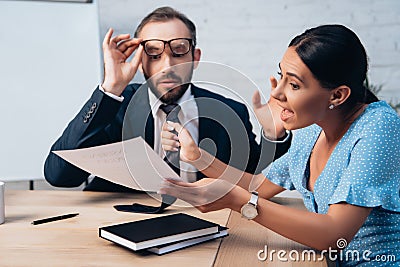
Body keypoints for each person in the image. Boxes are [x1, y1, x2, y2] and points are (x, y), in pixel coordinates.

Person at [160, 24, 400, 266]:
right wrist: (197, 156)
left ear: (337, 95)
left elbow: (334, 235)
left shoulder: (379, 127)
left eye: (294, 85)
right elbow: (258, 186)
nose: (276, 94)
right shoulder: (312, 130)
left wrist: (238, 201)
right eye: (281, 76)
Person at [44, 6, 291, 193]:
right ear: (139, 60)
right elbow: (59, 176)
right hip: (120, 223)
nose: (167, 65)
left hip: (204, 223)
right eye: (153, 53)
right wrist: (111, 87)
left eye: (179, 51)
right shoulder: (115, 105)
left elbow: (253, 182)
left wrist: (273, 137)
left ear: (195, 57)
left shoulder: (229, 110)